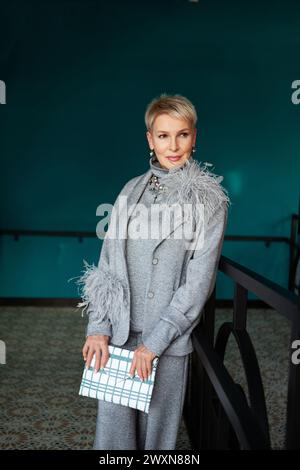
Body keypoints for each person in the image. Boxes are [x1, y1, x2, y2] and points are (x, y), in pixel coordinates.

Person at [78, 93, 231, 450]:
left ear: (195, 137)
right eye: (163, 135)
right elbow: (108, 264)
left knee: (157, 444)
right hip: (117, 336)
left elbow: (199, 283)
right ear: (150, 139)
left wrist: (154, 344)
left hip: (165, 342)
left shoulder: (211, 202)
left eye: (182, 134)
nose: (173, 146)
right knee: (113, 441)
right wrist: (98, 327)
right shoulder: (130, 191)